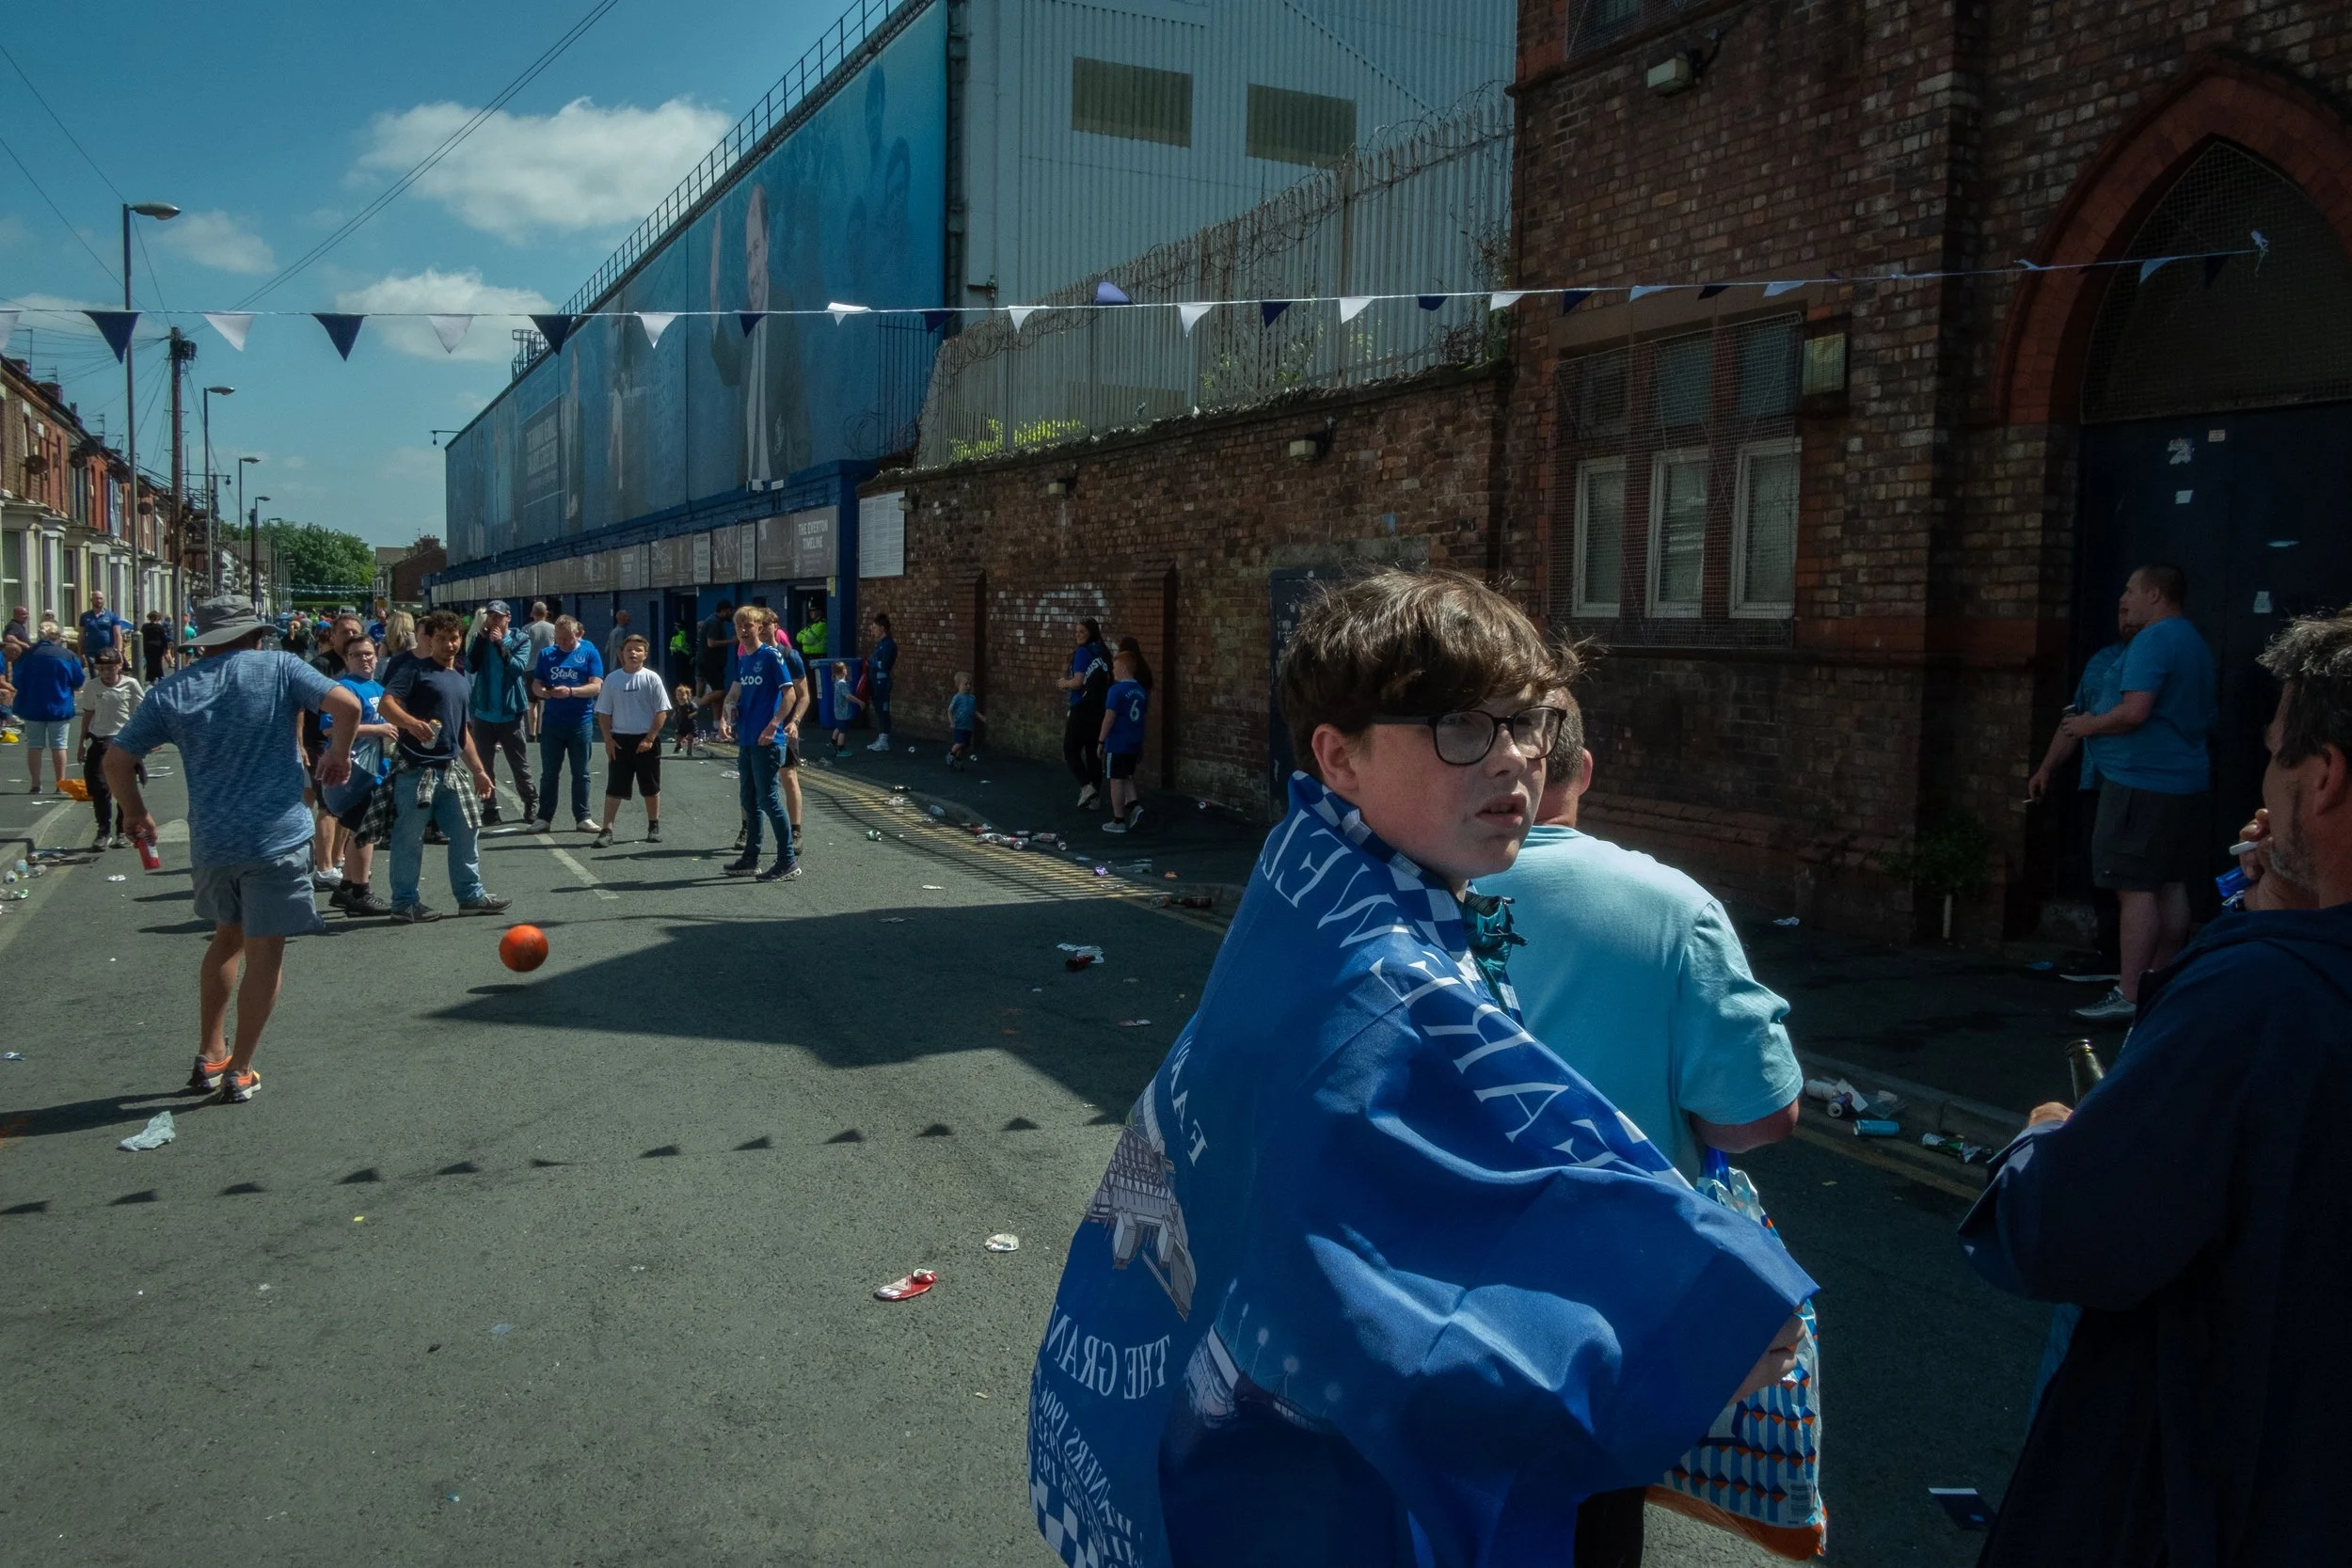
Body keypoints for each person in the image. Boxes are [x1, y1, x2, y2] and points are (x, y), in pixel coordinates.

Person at [1029, 569, 1815, 1568]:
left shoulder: (1316, 873)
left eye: (1525, 720)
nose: (1513, 760)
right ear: (1337, 755)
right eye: (1457, 726)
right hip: (1345, 1503)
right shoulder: (1380, 984)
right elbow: (1393, 1315)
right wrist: (1697, 1341)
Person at [1958, 608, 2352, 1566]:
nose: (2260, 783)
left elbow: (2063, 1229)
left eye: (2270, 756)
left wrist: (2051, 1132)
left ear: (2323, 774)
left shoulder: (2256, 997)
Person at [1480, 689, 1803, 1184]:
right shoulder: (1680, 908)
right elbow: (1758, 1117)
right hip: (1627, 1239)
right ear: (1585, 771)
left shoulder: (1398, 891)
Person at [103, 595, 364, 1103]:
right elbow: (347, 706)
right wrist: (337, 755)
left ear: (204, 643)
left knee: (227, 938)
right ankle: (240, 1068)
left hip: (214, 840)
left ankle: (210, 1052)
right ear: (253, 634)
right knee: (266, 951)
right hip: (277, 836)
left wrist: (135, 812)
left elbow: (117, 759)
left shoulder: (174, 689)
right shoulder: (280, 667)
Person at [2056, 565, 2217, 1022]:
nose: (2125, 598)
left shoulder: (2153, 639)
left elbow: (2134, 711)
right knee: (2169, 883)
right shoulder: (2194, 643)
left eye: (2130, 590)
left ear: (2155, 593)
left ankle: (2130, 992)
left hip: (2140, 782)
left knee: (2135, 888)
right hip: (2184, 781)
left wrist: (2088, 725)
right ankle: (2160, 984)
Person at [369, 610, 510, 924]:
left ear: (461, 639)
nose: (449, 645)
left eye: (454, 638)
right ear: (429, 640)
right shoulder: (414, 670)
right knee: (409, 839)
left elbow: (462, 732)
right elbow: (386, 704)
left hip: (449, 769)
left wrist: (479, 770)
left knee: (467, 829)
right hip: (416, 770)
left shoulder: (459, 678)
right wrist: (412, 724)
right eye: (442, 639)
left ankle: (470, 897)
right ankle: (404, 903)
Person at [722, 606, 801, 882]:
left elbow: (789, 695)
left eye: (749, 626)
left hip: (768, 740)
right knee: (749, 799)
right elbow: (734, 693)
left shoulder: (771, 656)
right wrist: (725, 714)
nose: (744, 630)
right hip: (747, 738)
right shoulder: (743, 659)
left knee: (769, 800)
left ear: (760, 627)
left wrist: (774, 725)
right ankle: (750, 858)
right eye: (739, 626)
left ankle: (787, 860)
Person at [321, 636, 397, 918]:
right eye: (357, 655)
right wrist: (377, 731)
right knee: (365, 832)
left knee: (359, 830)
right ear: (347, 659)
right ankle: (360, 892)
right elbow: (329, 730)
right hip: (353, 772)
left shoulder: (379, 688)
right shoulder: (343, 688)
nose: (364, 659)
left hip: (376, 771)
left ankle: (346, 888)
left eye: (368, 654)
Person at [592, 633, 671, 847]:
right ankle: (607, 830)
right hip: (620, 741)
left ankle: (653, 826)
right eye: (629, 650)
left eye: (638, 650)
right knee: (614, 787)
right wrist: (608, 739)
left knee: (650, 786)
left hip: (646, 741)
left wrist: (649, 739)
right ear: (621, 654)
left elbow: (661, 711)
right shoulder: (612, 679)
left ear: (645, 655)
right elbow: (604, 713)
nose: (633, 653)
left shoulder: (651, 678)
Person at [530, 615, 605, 833]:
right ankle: (543, 818)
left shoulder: (589, 651)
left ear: (577, 634)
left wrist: (571, 692)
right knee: (549, 773)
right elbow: (537, 682)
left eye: (568, 639)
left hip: (580, 721)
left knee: (581, 772)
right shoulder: (547, 654)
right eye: (559, 639)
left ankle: (583, 816)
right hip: (552, 722)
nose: (563, 644)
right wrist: (542, 692)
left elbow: (596, 686)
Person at [466, 600, 538, 826]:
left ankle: (530, 802)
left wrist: (500, 643)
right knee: (484, 765)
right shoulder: (481, 639)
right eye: (491, 616)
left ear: (508, 618)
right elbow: (469, 666)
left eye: (498, 616)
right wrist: (480, 640)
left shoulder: (520, 639)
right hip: (484, 712)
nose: (494, 620)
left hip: (510, 711)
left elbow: (517, 668)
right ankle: (489, 807)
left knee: (519, 763)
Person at [74, 649, 145, 849]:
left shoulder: (131, 684)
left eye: (110, 668)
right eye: (101, 668)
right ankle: (103, 831)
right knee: (100, 788)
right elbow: (88, 715)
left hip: (124, 740)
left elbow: (141, 714)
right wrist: (81, 743)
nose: (105, 672)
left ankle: (122, 830)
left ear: (119, 666)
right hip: (99, 740)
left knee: (124, 786)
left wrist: (145, 741)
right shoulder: (92, 686)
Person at [12, 621, 83, 793]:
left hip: (32, 705)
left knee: (34, 746)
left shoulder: (27, 655)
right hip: (59, 704)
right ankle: (60, 783)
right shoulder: (67, 655)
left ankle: (36, 784)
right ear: (58, 636)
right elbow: (78, 680)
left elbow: (17, 681)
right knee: (59, 745)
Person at [1058, 617, 1110, 805]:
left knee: (1070, 749)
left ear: (1090, 633)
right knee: (1092, 753)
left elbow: (1078, 682)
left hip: (1082, 707)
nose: (1078, 635)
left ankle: (1086, 787)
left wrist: (1064, 683)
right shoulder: (1103, 652)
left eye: (1082, 632)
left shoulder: (1082, 652)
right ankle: (1094, 799)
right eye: (1076, 632)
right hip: (1100, 707)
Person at [1098, 651, 1149, 832]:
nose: (1112, 670)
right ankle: (1135, 806)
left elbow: (1109, 718)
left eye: (1114, 666)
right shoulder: (1141, 691)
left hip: (1118, 742)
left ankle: (1118, 820)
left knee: (1116, 780)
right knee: (1127, 776)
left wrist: (1101, 741)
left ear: (1123, 668)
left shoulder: (1116, 690)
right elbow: (1142, 718)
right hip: (1133, 741)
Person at [698, 599, 736, 730]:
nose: (732, 614)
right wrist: (731, 641)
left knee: (717, 696)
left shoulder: (713, 620)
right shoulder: (714, 622)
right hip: (711, 663)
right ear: (724, 610)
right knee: (720, 693)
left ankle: (716, 725)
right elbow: (711, 643)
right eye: (730, 611)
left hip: (714, 663)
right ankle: (691, 706)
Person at [522, 600, 558, 738]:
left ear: (533, 613)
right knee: (544, 701)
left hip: (530, 668)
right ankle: (542, 731)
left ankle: (532, 733)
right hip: (547, 668)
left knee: (532, 703)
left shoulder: (526, 629)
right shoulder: (553, 628)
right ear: (546, 613)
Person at [864, 611, 898, 752]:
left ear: (882, 628)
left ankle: (884, 740)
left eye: (875, 628)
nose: (873, 631)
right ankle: (881, 737)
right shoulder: (881, 644)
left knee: (883, 710)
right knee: (878, 709)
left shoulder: (889, 645)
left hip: (882, 682)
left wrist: (872, 662)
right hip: (875, 681)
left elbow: (885, 665)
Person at [76, 590, 132, 673]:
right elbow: (81, 635)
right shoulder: (85, 616)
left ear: (104, 600)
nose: (99, 601)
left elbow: (118, 635)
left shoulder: (112, 616)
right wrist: (80, 653)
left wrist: (119, 652)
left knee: (107, 674)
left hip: (108, 652)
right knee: (94, 675)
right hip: (91, 652)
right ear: (91, 600)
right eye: (96, 599)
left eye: (101, 599)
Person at [946, 671, 980, 768]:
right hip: (959, 725)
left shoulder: (972, 698)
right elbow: (950, 710)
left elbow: (974, 711)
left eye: (970, 684)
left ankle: (958, 760)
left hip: (968, 726)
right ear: (958, 685)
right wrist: (952, 722)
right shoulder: (957, 698)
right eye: (966, 684)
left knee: (965, 746)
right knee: (960, 742)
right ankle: (951, 754)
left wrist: (982, 717)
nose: (968, 686)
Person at [831, 661, 864, 755]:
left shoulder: (836, 682)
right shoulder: (842, 683)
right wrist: (859, 702)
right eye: (845, 669)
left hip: (837, 710)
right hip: (843, 711)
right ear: (843, 671)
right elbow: (848, 696)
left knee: (839, 727)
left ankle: (832, 742)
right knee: (843, 731)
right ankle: (841, 750)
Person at [670, 683, 701, 756]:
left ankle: (689, 751)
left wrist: (692, 714)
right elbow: (676, 712)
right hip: (681, 725)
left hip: (691, 725)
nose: (680, 697)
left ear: (687, 696)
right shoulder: (677, 705)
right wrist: (673, 716)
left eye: (682, 695)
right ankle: (678, 745)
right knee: (678, 736)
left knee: (690, 738)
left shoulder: (691, 705)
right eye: (678, 695)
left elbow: (697, 711)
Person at [138, 610, 170, 683]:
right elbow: (163, 638)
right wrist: (166, 648)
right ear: (158, 618)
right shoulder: (160, 627)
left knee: (149, 662)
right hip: (158, 647)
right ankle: (159, 676)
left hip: (147, 647)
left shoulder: (145, 626)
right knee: (158, 662)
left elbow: (142, 636)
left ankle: (150, 677)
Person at [601, 607, 635, 671]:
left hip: (612, 667)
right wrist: (624, 665)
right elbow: (619, 649)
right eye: (627, 617)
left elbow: (606, 650)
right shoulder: (621, 631)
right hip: (619, 667)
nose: (629, 618)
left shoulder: (613, 631)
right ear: (621, 618)